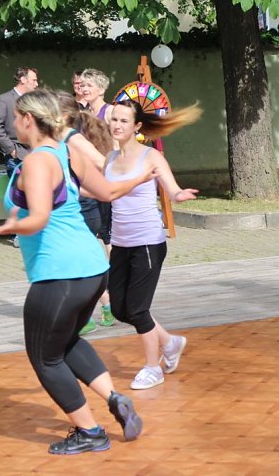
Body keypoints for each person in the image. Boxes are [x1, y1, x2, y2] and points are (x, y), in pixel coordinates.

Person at [0, 89, 152, 455]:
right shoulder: (68, 154)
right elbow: (107, 191)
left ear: (29, 120)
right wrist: (142, 178)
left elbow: (40, 217)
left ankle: (90, 432)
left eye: (16, 117)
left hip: (58, 273)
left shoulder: (35, 162)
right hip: (94, 269)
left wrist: (11, 226)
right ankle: (113, 397)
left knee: (45, 357)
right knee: (66, 342)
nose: (14, 123)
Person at [106, 98, 201, 389]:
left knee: (137, 309)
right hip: (120, 243)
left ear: (137, 126)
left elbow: (170, 191)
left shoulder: (151, 157)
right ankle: (170, 342)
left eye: (124, 120)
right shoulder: (109, 158)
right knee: (120, 309)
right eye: (114, 119)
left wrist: (180, 195)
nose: (117, 125)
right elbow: (104, 191)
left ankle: (152, 368)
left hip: (148, 241)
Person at [56, 93, 116, 335]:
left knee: (74, 265)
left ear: (62, 116)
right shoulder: (57, 139)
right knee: (82, 264)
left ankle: (83, 317)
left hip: (82, 210)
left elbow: (103, 163)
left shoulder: (72, 138)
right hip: (74, 209)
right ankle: (107, 306)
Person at [80, 68, 114, 247]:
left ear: (101, 89)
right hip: (87, 177)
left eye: (89, 85)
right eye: (82, 85)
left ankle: (115, 273)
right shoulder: (83, 114)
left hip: (105, 175)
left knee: (107, 232)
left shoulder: (110, 112)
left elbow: (118, 145)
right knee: (94, 230)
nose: (84, 88)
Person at [0, 67, 39, 176]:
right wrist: (11, 150)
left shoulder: (34, 101)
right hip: (16, 155)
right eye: (34, 80)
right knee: (21, 191)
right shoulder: (4, 99)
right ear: (23, 80)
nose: (37, 84)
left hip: (35, 153)